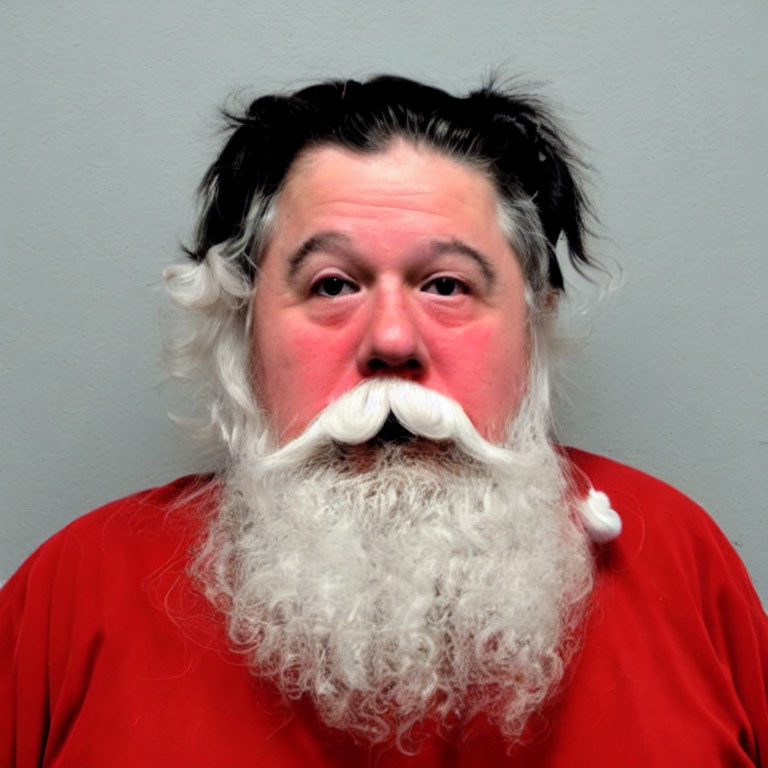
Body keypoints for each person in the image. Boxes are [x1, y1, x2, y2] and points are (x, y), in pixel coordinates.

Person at [1, 75, 766, 767]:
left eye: (446, 285)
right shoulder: (72, 594)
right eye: (333, 284)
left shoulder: (679, 562)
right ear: (242, 329)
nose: (392, 341)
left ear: (532, 328)